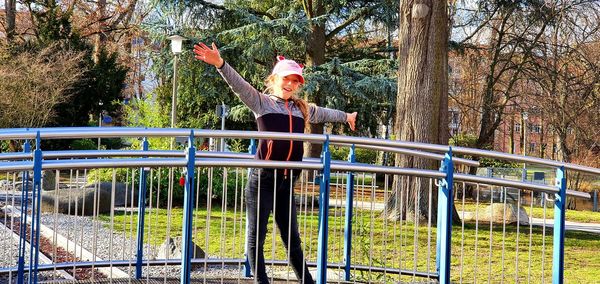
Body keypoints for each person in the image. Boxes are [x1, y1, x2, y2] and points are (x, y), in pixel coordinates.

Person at [193, 42, 357, 284]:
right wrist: (220, 64)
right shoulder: (262, 102)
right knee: (256, 235)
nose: (290, 85)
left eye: (296, 81)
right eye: (286, 79)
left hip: (287, 180)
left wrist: (346, 116)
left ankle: (307, 282)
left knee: (292, 237)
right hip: (264, 178)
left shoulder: (302, 108)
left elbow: (324, 113)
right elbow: (239, 86)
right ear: (275, 78)